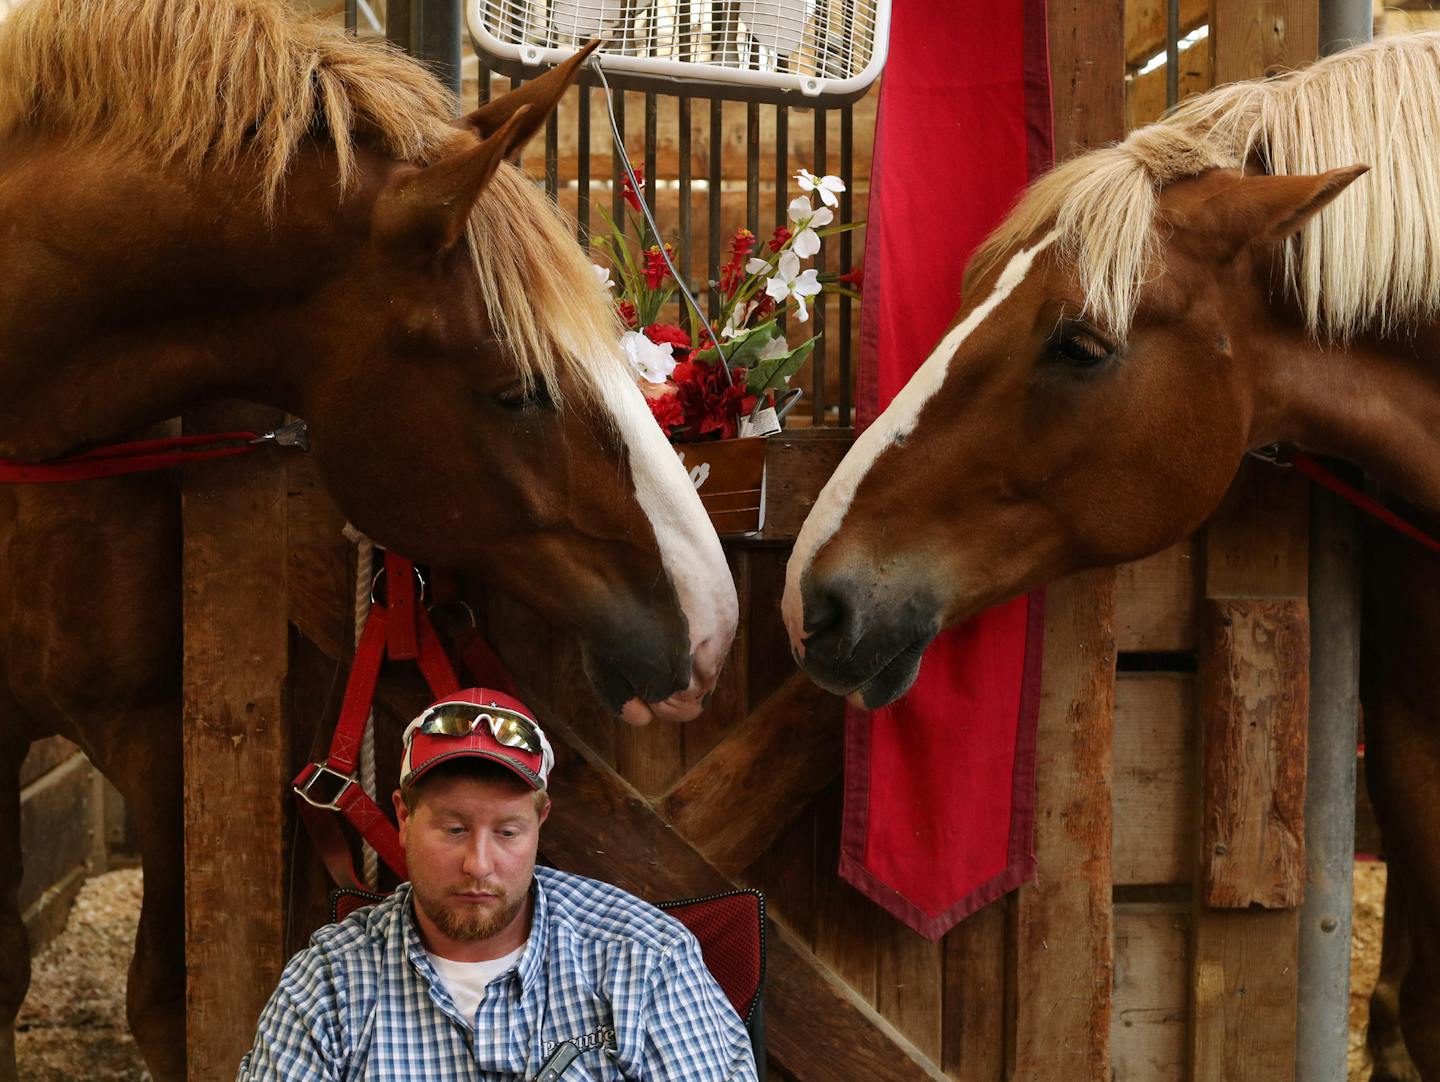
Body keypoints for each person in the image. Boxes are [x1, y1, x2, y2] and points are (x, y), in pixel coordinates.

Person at [238, 688, 757, 1081]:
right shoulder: (330, 981)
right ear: (402, 818)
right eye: (454, 829)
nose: (478, 865)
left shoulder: (644, 959)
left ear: (540, 824)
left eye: (507, 832)